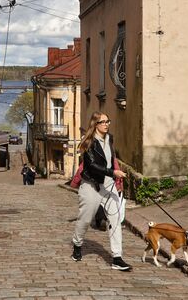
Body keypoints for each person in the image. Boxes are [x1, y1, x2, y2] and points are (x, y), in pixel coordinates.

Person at [71, 111, 131, 271]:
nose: (106, 124)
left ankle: (117, 258)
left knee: (116, 219)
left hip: (109, 185)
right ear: (95, 124)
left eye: (108, 121)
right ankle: (77, 244)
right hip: (91, 185)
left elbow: (112, 160)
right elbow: (91, 166)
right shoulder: (88, 142)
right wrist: (113, 173)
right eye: (103, 122)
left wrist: (116, 177)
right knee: (85, 219)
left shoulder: (110, 139)